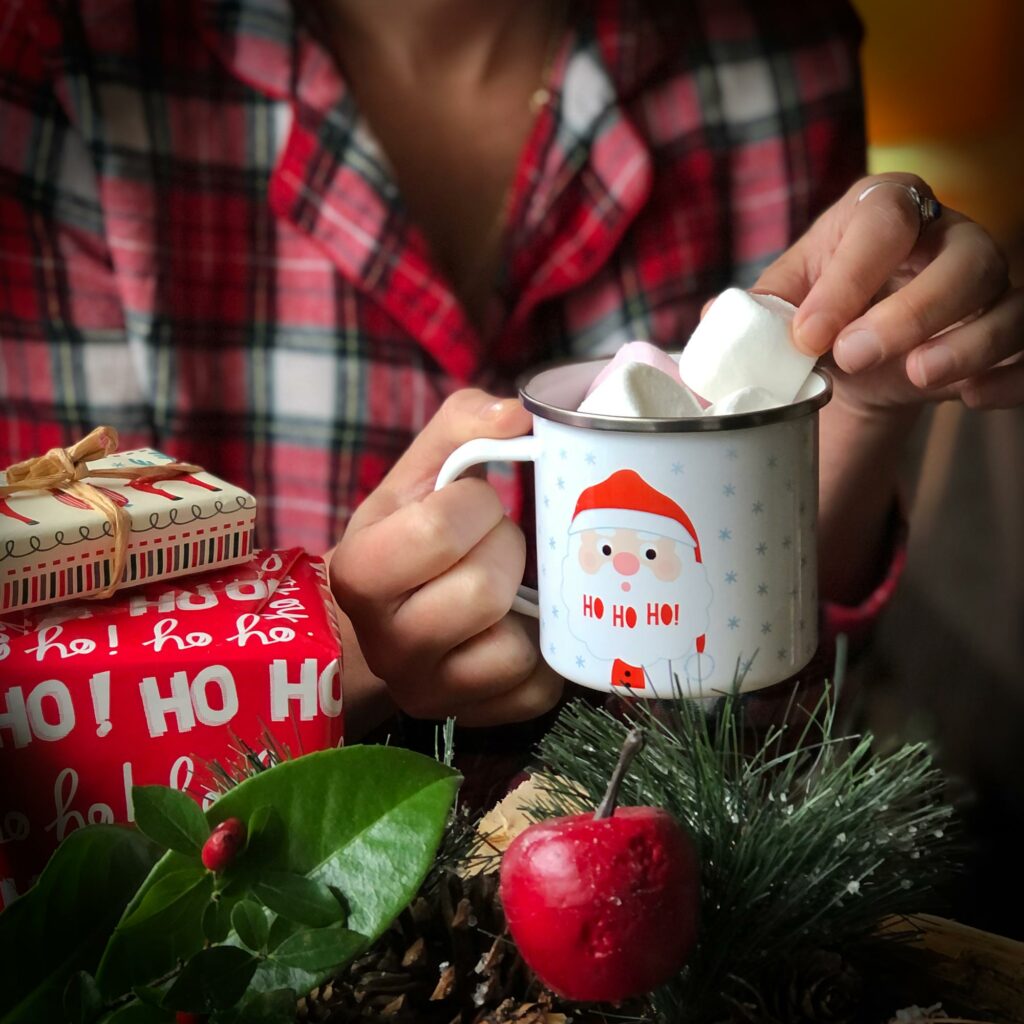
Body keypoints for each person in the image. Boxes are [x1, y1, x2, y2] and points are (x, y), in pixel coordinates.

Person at [1, 0, 1021, 739]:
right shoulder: (64, 75)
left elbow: (763, 683)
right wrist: (333, 653)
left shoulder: (772, 58)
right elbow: (41, 693)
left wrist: (858, 407)